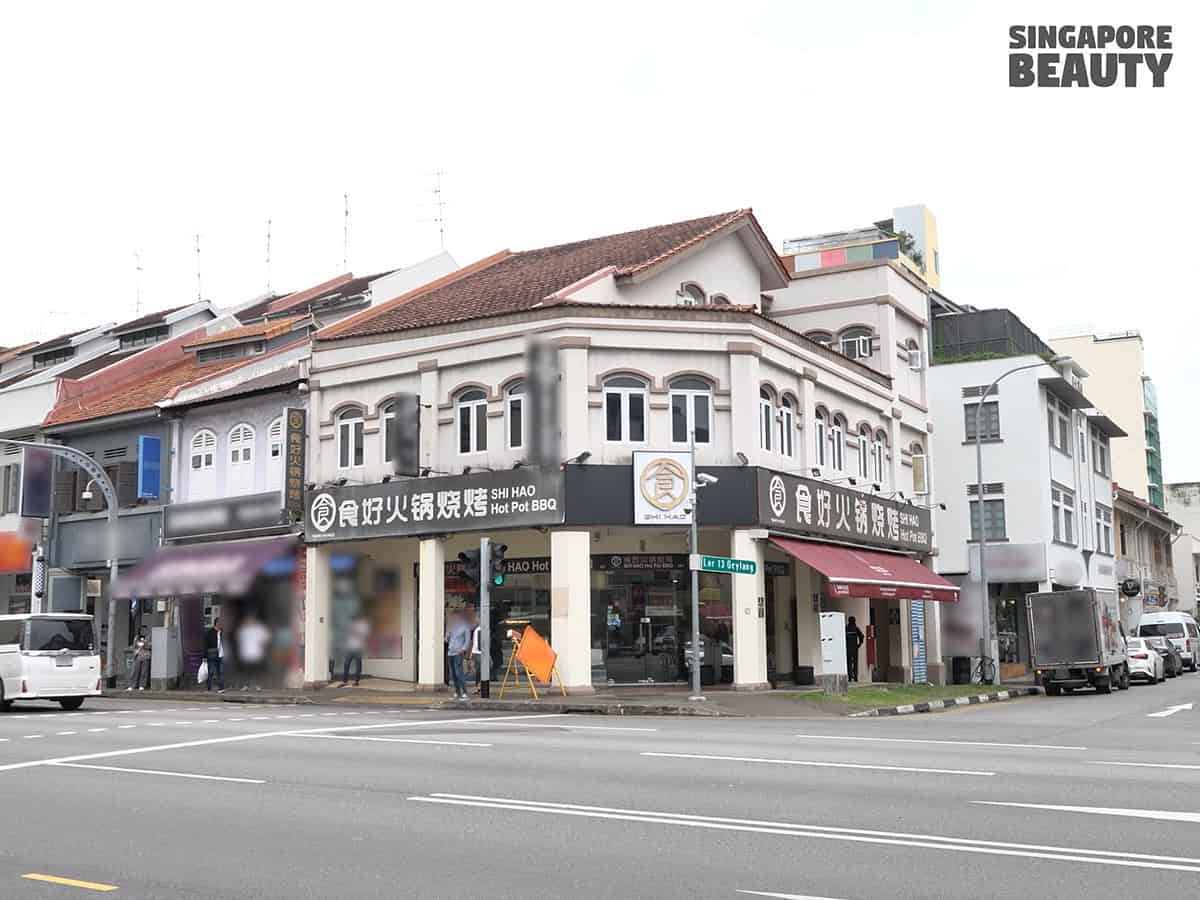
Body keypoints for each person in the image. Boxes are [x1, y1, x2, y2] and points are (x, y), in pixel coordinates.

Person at [237, 612, 272, 692]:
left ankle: (257, 686)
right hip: (246, 653)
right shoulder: (244, 630)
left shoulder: (259, 629)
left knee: (256, 671)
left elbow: (266, 638)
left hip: (257, 653)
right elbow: (240, 640)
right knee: (247, 671)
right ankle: (246, 685)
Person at [445, 610, 472, 701]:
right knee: (453, 674)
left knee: (458, 672)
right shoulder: (451, 627)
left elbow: (467, 641)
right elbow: (447, 640)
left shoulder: (465, 627)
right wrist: (447, 636)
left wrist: (463, 649)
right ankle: (457, 692)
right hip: (450, 652)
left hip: (458, 652)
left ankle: (465, 692)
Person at [341, 613, 370, 687]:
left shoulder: (363, 625)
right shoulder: (351, 625)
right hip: (350, 647)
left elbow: (364, 635)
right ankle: (345, 681)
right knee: (346, 664)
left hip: (358, 648)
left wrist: (355, 631)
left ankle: (356, 681)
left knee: (358, 665)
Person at [204, 618, 226, 693]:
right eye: (220, 623)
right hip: (212, 653)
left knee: (221, 672)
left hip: (221, 654)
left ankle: (220, 688)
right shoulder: (210, 632)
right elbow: (205, 644)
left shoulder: (222, 632)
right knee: (211, 672)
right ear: (216, 624)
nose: (221, 625)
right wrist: (204, 656)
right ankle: (209, 687)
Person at [845, 615, 865, 682]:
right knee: (855, 663)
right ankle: (855, 677)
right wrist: (859, 645)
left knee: (849, 663)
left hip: (848, 649)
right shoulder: (856, 628)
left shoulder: (846, 628)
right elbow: (862, 636)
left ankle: (850, 678)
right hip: (854, 649)